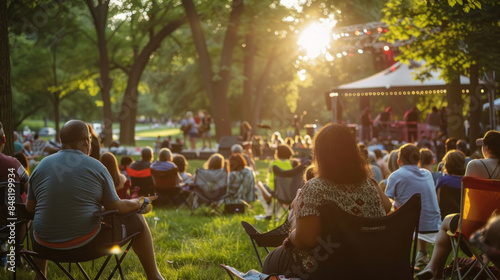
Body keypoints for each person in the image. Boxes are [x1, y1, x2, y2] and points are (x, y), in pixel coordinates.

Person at [26, 120, 164, 280]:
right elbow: (116, 206)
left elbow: (30, 209)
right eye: (90, 138)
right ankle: (154, 276)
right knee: (137, 217)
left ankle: (39, 275)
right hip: (85, 245)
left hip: (43, 246)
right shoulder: (96, 166)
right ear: (86, 140)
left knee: (38, 220)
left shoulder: (41, 166)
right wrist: (137, 202)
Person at [262, 123, 391, 277]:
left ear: (320, 154)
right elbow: (387, 206)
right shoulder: (370, 184)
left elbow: (306, 240)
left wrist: (291, 235)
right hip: (369, 263)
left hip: (325, 268)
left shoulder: (315, 188)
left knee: (271, 259)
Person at [416, 130, 500, 280]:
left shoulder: (475, 165)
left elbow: (467, 201)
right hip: (496, 230)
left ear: (486, 148)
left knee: (447, 221)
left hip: (472, 227)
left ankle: (435, 271)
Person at [385, 144, 441, 267]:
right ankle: (423, 253)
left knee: (397, 211)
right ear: (419, 161)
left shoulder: (395, 175)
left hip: (409, 227)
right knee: (418, 210)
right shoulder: (427, 174)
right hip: (433, 225)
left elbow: (386, 201)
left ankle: (398, 258)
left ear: (399, 161)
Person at [435, 150, 465, 219]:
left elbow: (437, 204)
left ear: (447, 164)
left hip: (445, 219)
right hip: (462, 221)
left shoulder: (443, 181)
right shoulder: (467, 182)